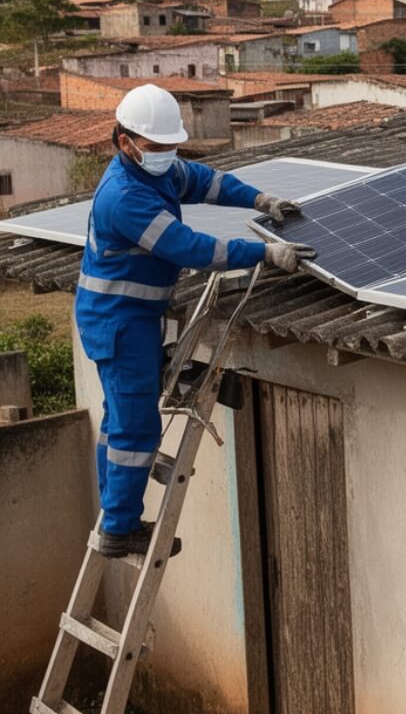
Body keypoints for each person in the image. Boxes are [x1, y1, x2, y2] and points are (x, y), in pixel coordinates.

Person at [76, 83, 316, 559]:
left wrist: (260, 199)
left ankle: (114, 512)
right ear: (125, 141)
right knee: (134, 430)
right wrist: (265, 252)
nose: (167, 154)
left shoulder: (155, 170)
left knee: (120, 422)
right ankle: (119, 530)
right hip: (119, 323)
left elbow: (209, 182)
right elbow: (191, 248)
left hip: (132, 317)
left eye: (171, 146)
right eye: (157, 147)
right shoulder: (123, 198)